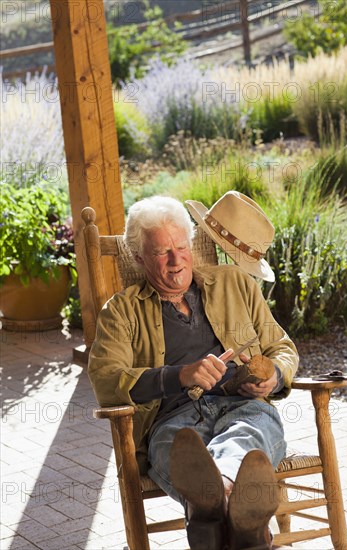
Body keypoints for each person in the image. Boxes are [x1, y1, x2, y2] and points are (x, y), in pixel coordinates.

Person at [88, 191, 299, 550]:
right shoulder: (120, 311)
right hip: (172, 419)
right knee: (178, 448)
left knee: (251, 429)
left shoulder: (235, 282)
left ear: (191, 245)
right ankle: (244, 519)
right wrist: (179, 376)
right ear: (139, 257)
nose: (176, 261)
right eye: (161, 252)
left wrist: (273, 376)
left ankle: (219, 493)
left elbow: (282, 347)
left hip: (243, 407)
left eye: (181, 247)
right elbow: (107, 380)